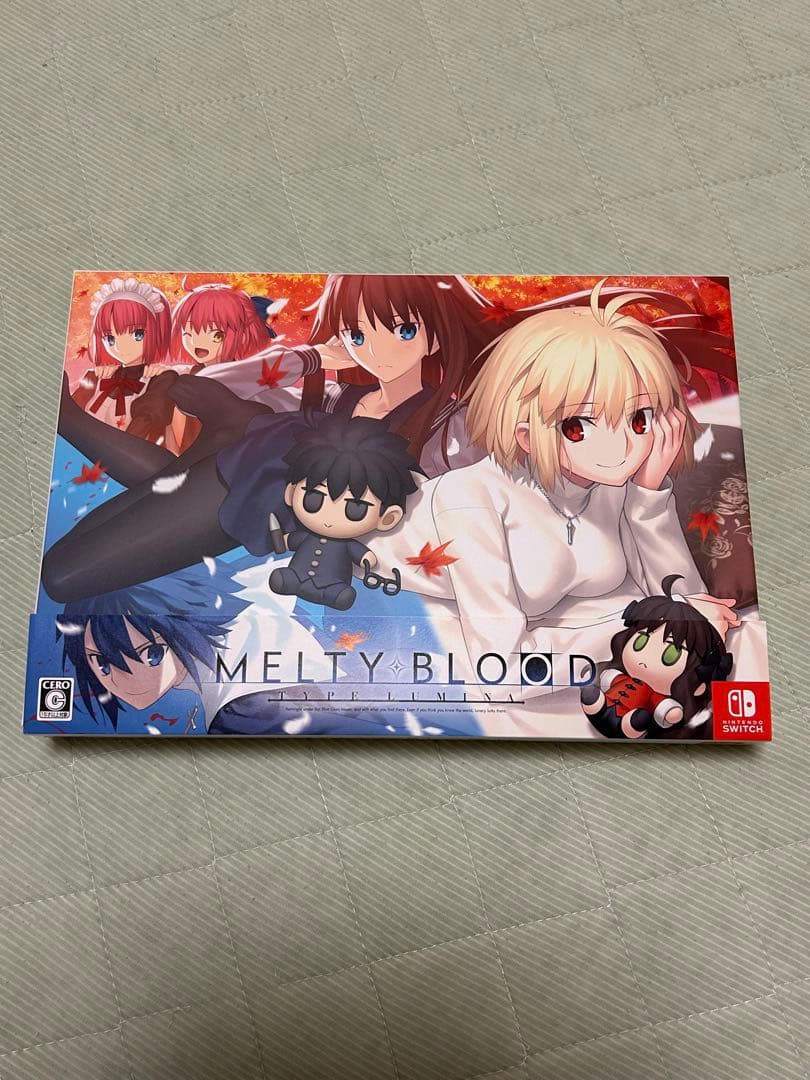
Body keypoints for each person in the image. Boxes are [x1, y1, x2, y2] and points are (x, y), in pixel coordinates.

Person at [363, 281, 741, 692]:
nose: (619, 448)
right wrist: (644, 624)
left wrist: (648, 494)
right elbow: (501, 671)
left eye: (639, 419)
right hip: (364, 556)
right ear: (526, 434)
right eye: (578, 426)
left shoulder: (612, 486)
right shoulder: (470, 500)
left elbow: (690, 608)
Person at [269, 414, 423, 609]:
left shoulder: (348, 546)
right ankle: (288, 581)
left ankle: (336, 595)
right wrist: (279, 539)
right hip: (297, 577)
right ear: (291, 494)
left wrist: (367, 560)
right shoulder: (305, 537)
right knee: (284, 579)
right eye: (313, 499)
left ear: (387, 518)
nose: (329, 518)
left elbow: (364, 557)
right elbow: (287, 541)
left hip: (331, 585)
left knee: (339, 595)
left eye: (355, 509)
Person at [581, 575, 733, 740]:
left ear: (698, 684)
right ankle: (595, 705)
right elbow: (606, 676)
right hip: (605, 704)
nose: (644, 661)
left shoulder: (658, 698)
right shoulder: (620, 677)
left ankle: (630, 725)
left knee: (637, 721)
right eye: (640, 641)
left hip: (631, 720)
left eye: (670, 655)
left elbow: (669, 711)